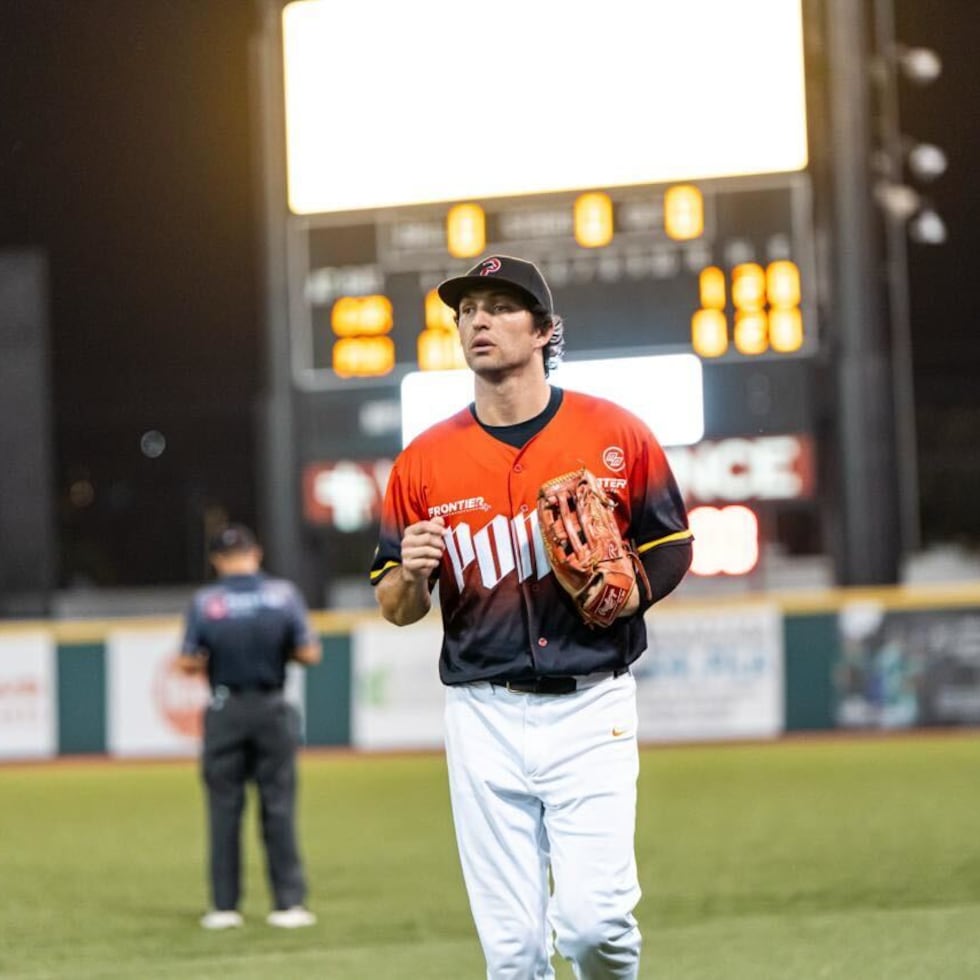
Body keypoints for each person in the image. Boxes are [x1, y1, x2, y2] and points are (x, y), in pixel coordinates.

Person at [370, 255, 693, 978]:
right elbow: (395, 606)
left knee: (594, 925)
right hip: (482, 715)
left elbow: (671, 544)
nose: (477, 320)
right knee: (512, 955)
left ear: (546, 329)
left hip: (592, 706)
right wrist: (411, 575)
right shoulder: (421, 464)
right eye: (466, 310)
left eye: (499, 306)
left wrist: (628, 593)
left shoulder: (616, 434)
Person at [178, 523, 322, 931]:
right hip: (272, 706)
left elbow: (187, 660)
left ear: (217, 560)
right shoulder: (283, 595)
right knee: (278, 806)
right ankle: (289, 904)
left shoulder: (207, 601)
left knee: (224, 809)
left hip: (226, 707)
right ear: (255, 553)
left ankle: (225, 907)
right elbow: (309, 652)